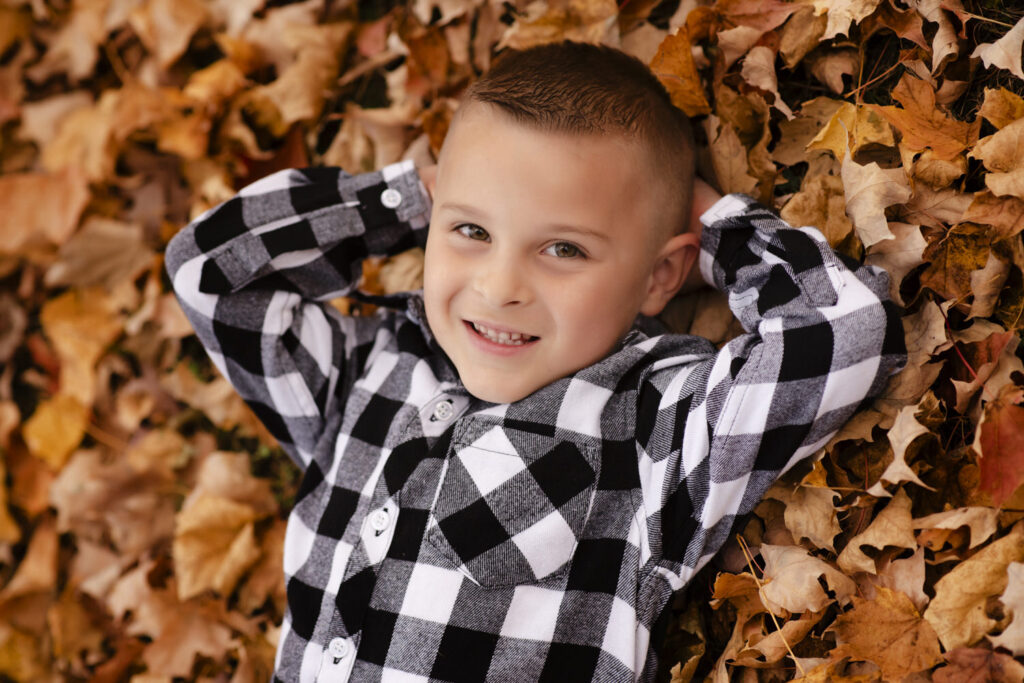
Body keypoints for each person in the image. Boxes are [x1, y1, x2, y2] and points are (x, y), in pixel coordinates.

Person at [166, 40, 904, 683]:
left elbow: (840, 332)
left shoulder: (652, 432)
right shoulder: (364, 378)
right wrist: (407, 200)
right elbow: (209, 270)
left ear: (657, 278)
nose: (499, 286)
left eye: (563, 249)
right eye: (471, 231)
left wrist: (716, 227)